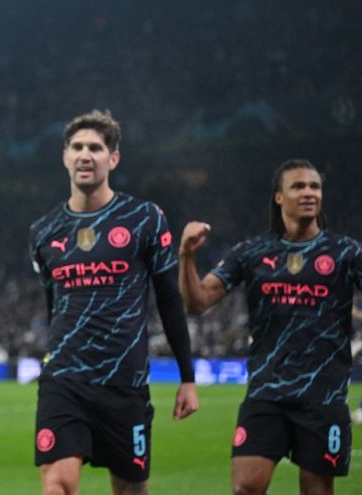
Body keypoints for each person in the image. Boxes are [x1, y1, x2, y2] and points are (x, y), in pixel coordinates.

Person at [28, 110, 198, 495]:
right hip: (64, 379)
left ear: (113, 158)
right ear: (65, 157)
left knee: (130, 490)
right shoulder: (43, 230)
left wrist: (187, 378)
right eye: (77, 147)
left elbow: (169, 300)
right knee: (57, 486)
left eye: (96, 147)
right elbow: (53, 305)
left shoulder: (145, 218)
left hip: (124, 381)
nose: (85, 155)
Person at [179, 159, 361, 495]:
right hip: (267, 393)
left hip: (322, 396)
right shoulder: (251, 252)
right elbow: (197, 302)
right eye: (299, 186)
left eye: (315, 186)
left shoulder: (346, 252)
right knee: (246, 486)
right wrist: (187, 257)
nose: (309, 193)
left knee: (317, 491)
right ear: (279, 197)